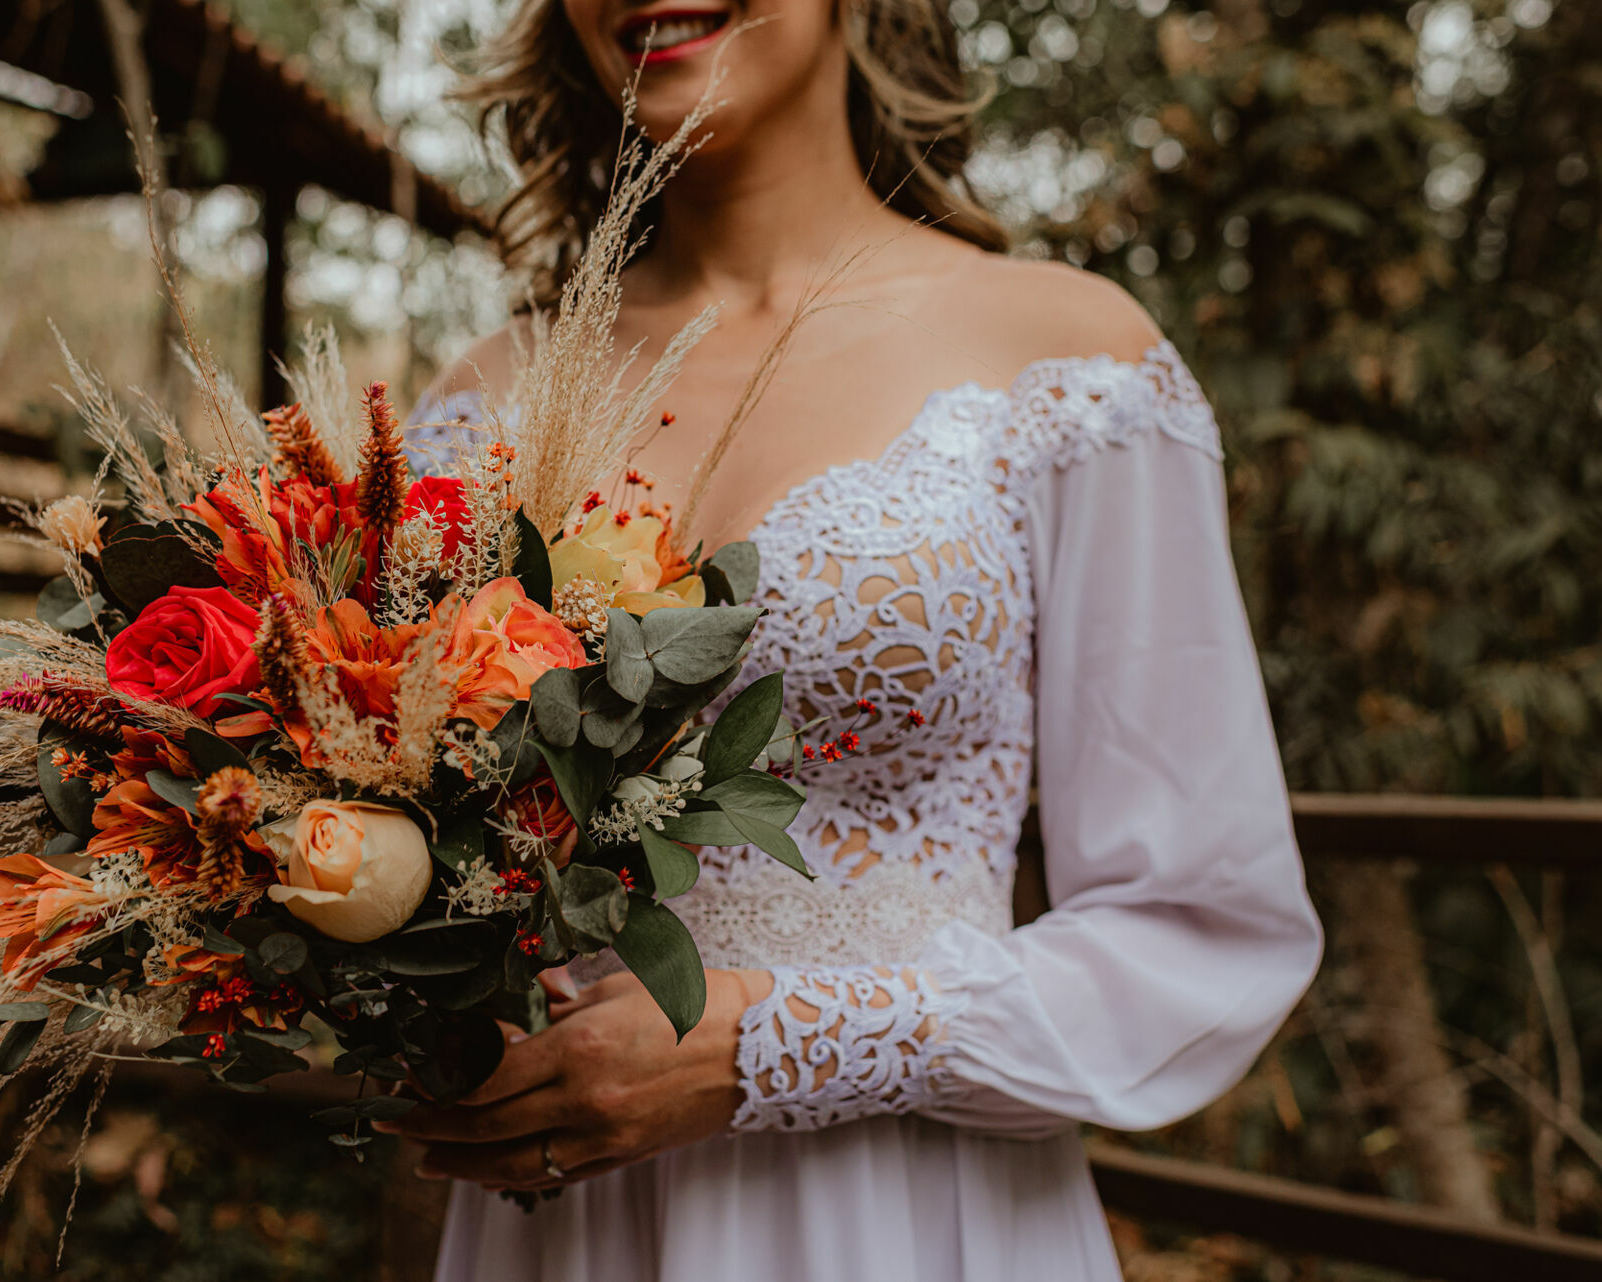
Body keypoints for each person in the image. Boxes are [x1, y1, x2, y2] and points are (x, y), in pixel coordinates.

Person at [384, 2, 1325, 1278]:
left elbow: (1202, 927)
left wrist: (773, 1049)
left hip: (913, 1214)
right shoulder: (472, 406)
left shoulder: (1069, 360)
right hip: (568, 1228)